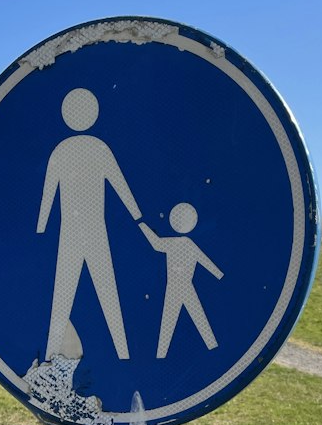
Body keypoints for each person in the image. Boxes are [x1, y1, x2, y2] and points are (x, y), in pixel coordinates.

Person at [37, 87, 141, 361]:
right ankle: (124, 353)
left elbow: (119, 184)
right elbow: (121, 186)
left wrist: (42, 225)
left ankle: (121, 353)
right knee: (99, 292)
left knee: (71, 293)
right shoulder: (97, 148)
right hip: (88, 231)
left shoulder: (65, 150)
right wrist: (137, 216)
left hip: (78, 232)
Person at [139, 203, 223, 359]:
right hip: (177, 286)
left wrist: (142, 226)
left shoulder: (182, 244)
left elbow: (203, 260)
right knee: (179, 319)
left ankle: (162, 353)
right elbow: (156, 243)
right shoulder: (180, 243)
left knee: (178, 319)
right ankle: (162, 354)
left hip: (182, 286)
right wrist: (143, 227)